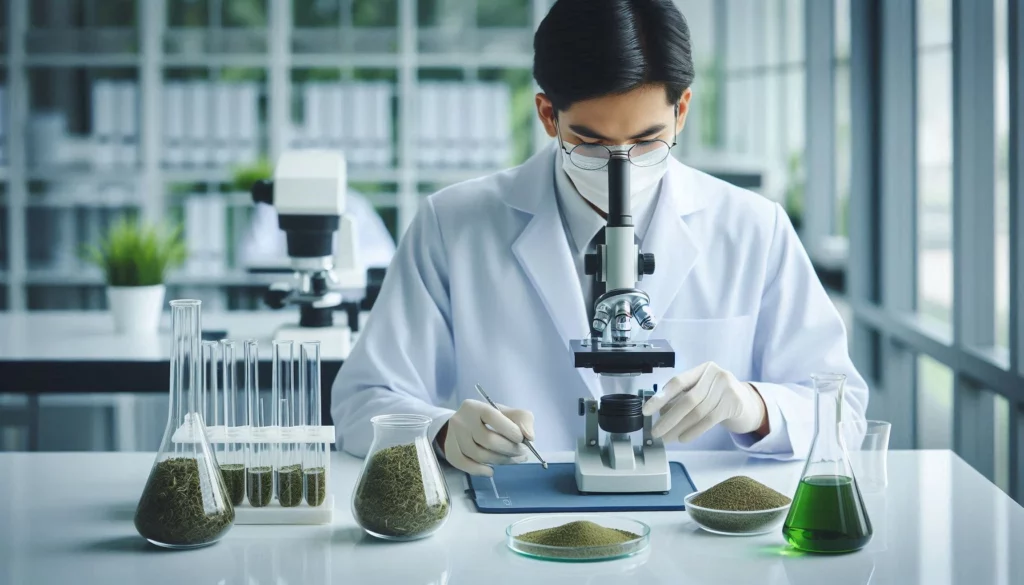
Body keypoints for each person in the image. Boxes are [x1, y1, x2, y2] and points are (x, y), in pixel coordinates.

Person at [332, 0, 868, 476]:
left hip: (699, 544)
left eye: (646, 140)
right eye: (590, 142)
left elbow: (845, 413)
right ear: (548, 115)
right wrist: (444, 432)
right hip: (511, 536)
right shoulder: (454, 224)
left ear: (680, 111)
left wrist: (754, 406)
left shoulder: (753, 227)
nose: (622, 168)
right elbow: (362, 401)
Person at [240, 188, 396, 271]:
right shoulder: (272, 207)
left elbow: (385, 255)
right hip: (287, 299)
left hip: (343, 298)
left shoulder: (353, 204)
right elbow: (251, 257)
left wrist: (333, 262)